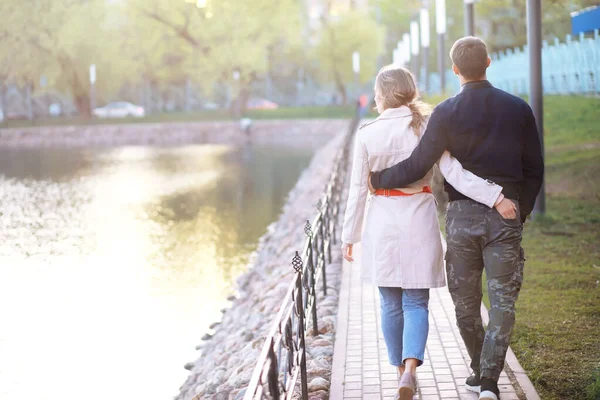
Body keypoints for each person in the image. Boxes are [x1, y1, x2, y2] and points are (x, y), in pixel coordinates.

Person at [368, 37, 544, 400]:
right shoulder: (519, 108)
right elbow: (534, 169)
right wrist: (520, 210)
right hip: (505, 215)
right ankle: (488, 376)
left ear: (455, 69)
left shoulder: (446, 112)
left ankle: (485, 376)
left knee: (465, 305)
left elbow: (420, 164)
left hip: (462, 219)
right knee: (502, 303)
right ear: (489, 63)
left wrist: (378, 180)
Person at [340, 64, 516, 400]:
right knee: (417, 301)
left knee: (390, 303)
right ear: (410, 90)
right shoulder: (426, 126)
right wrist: (495, 196)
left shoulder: (366, 133)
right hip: (418, 217)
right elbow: (455, 172)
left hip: (382, 222)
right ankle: (410, 370)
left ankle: (400, 375)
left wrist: (350, 236)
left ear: (380, 94)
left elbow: (356, 191)